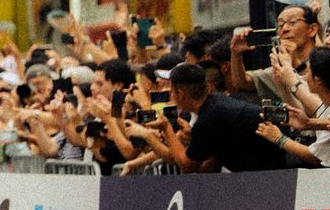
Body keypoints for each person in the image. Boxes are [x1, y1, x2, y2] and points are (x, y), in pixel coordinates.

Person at [134, 61, 320, 172]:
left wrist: (165, 128)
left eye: (172, 91)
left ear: (180, 94)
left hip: (287, 170)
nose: (170, 96)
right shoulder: (213, 106)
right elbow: (208, 165)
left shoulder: (209, 118)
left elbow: (187, 165)